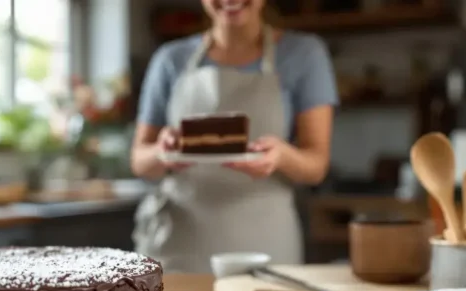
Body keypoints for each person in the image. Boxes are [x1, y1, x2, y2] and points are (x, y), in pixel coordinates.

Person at [131, 0, 338, 273]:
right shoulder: (170, 60)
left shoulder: (303, 54)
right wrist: (162, 152)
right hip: (179, 241)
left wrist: (282, 156)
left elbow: (316, 166)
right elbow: (139, 160)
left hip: (265, 241)